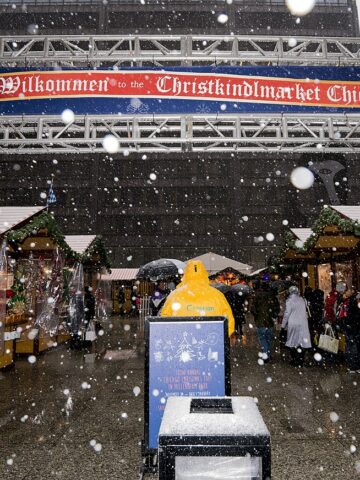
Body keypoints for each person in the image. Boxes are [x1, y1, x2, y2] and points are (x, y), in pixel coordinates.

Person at [161, 260, 235, 337]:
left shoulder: (174, 295)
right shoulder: (218, 295)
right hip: (212, 343)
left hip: (182, 342)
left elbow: (164, 322)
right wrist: (219, 338)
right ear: (204, 274)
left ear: (185, 274)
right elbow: (229, 323)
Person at [281, 286, 312, 367]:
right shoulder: (302, 299)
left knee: (293, 341)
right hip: (303, 323)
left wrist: (283, 325)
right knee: (302, 341)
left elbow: (287, 314)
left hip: (293, 323)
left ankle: (295, 359)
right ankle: (301, 359)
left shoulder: (289, 301)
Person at [251, 281, 280, 362]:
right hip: (269, 321)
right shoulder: (272, 297)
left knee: (263, 338)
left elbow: (253, 309)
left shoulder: (257, 296)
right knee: (269, 338)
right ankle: (268, 354)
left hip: (260, 322)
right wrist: (273, 315)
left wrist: (257, 316)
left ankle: (266, 355)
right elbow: (277, 309)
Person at [342, 291, 360, 373]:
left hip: (351, 328)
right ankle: (356, 366)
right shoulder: (354, 303)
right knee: (355, 346)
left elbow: (345, 315)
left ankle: (353, 366)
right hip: (355, 328)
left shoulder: (348, 302)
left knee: (351, 347)